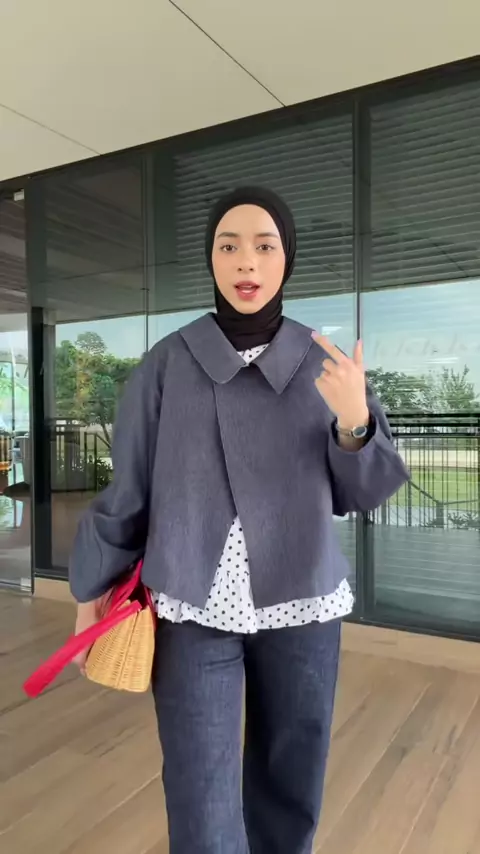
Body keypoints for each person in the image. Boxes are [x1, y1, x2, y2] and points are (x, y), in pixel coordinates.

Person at [70, 186, 409, 854]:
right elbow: (129, 491)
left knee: (291, 781)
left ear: (287, 260)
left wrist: (355, 421)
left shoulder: (324, 363)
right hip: (191, 604)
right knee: (200, 792)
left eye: (264, 246)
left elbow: (362, 494)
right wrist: (89, 600)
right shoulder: (167, 363)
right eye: (228, 246)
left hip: (303, 602)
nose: (246, 262)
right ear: (211, 260)